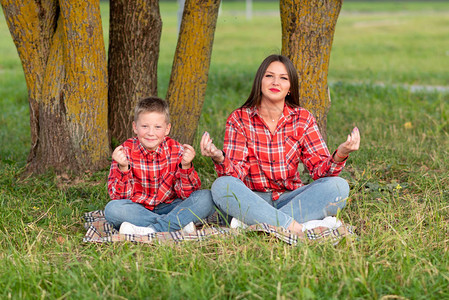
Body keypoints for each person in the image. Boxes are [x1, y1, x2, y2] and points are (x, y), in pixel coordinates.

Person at [200, 54, 360, 236]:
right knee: (223, 186)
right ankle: (293, 227)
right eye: (269, 76)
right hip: (252, 199)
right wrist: (219, 157)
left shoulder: (302, 118)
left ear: (290, 88)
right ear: (259, 81)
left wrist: (341, 153)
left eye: (283, 78)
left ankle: (258, 224)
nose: (275, 82)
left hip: (291, 198)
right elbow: (235, 176)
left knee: (338, 187)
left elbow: (320, 172)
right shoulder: (240, 119)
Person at [104, 97, 215, 234]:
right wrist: (123, 168)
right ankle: (177, 224)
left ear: (167, 129)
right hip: (138, 210)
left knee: (206, 198)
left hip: (171, 206)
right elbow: (119, 197)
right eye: (145, 126)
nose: (151, 133)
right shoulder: (124, 152)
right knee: (113, 210)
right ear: (135, 127)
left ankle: (151, 229)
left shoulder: (176, 150)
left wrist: (186, 166)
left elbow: (188, 195)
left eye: (157, 127)